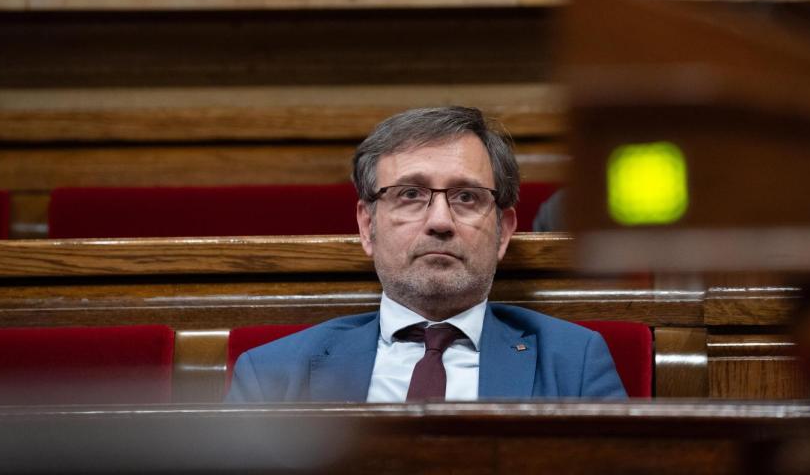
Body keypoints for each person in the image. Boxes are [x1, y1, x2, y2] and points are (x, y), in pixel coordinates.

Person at [227, 106, 626, 402]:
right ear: (368, 226)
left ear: (503, 232)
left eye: (467, 197)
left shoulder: (575, 363)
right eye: (410, 195)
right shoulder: (271, 375)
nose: (440, 221)